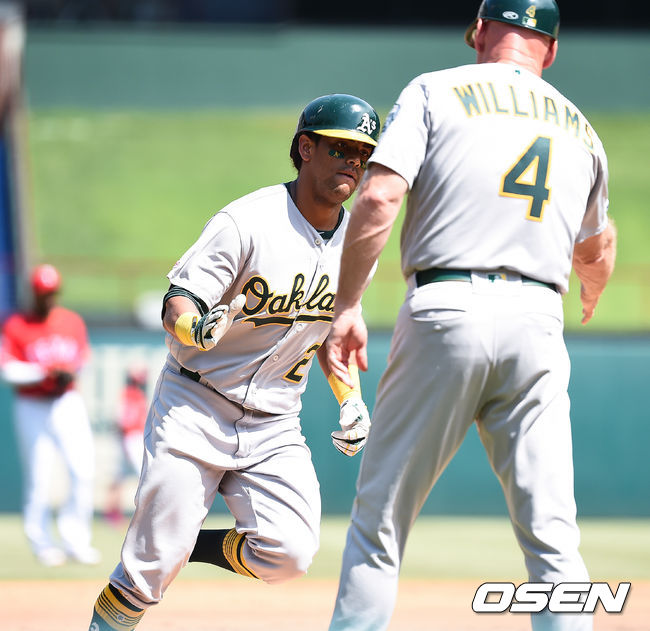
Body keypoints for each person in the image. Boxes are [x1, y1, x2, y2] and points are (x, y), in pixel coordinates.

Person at [324, 2, 617, 631]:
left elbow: (380, 195)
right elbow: (597, 248)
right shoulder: (582, 129)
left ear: (480, 32)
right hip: (539, 320)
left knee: (380, 523)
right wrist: (592, 286)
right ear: (551, 50)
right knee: (553, 539)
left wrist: (347, 305)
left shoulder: (435, 90)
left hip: (446, 307)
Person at [87, 93, 379, 631]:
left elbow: (332, 333)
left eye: (363, 153)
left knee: (290, 554)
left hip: (274, 420)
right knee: (146, 573)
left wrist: (351, 398)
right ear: (305, 148)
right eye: (340, 148)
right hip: (196, 403)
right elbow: (178, 301)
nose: (353, 162)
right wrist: (194, 327)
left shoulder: (360, 243)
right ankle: (157, 561)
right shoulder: (248, 221)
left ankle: (187, 545)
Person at [0, 263, 100, 567]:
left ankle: (76, 541)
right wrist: (45, 372)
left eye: (52, 292)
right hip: (32, 404)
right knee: (39, 477)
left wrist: (69, 371)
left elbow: (83, 359)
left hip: (67, 401)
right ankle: (42, 543)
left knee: (82, 470)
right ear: (34, 293)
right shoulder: (16, 324)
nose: (48, 297)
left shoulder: (71, 321)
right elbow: (8, 370)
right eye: (43, 292)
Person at [104, 364, 149, 527]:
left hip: (132, 437)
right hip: (130, 438)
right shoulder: (129, 394)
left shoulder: (136, 394)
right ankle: (143, 514)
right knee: (144, 475)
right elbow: (121, 418)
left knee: (121, 477)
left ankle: (113, 513)